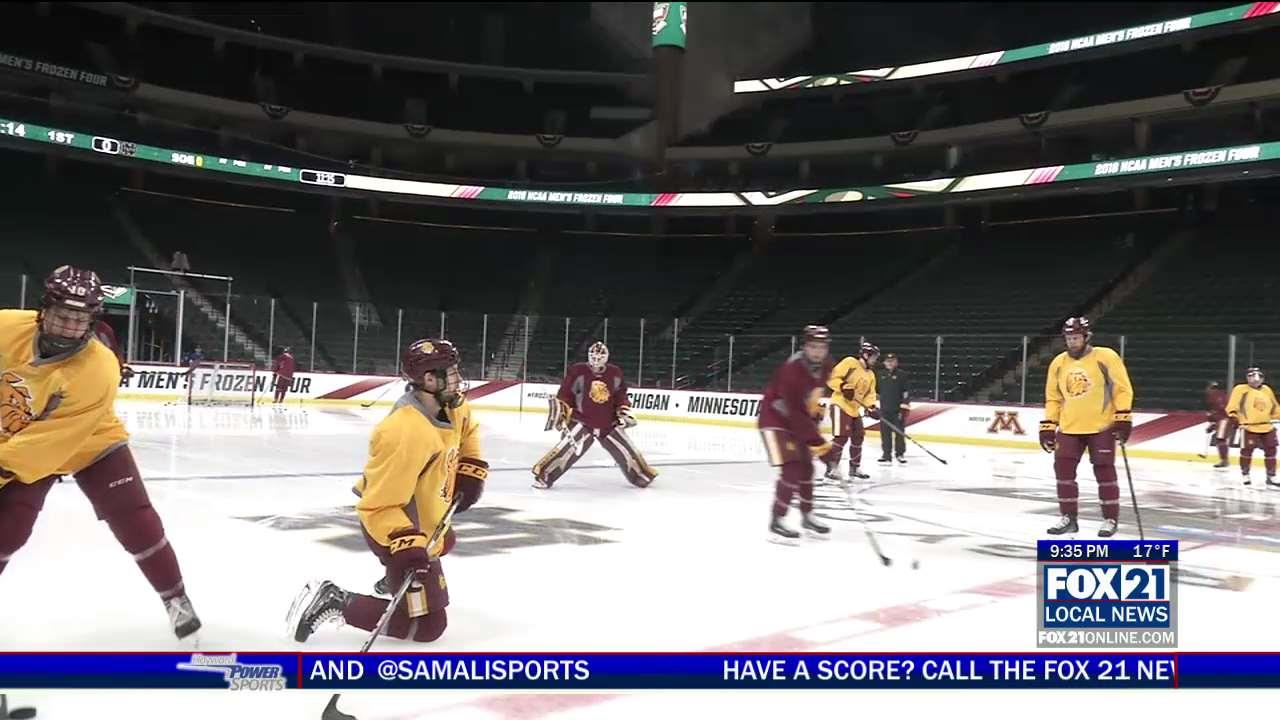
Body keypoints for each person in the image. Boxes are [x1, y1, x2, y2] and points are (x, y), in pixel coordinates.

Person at [0, 266, 200, 638]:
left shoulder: (99, 368)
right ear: (44, 310)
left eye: (79, 319)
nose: (68, 326)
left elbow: (51, 443)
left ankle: (175, 597)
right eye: (62, 315)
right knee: (8, 530)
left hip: (88, 439)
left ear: (92, 321)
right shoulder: (7, 327)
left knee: (135, 518)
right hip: (23, 434)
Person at [287, 338, 487, 643]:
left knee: (445, 540)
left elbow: (468, 430)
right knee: (429, 627)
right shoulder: (405, 431)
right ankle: (334, 599)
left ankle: (392, 579)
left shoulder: (452, 405)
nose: (459, 378)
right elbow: (377, 507)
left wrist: (469, 468)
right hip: (395, 530)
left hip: (427, 520)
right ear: (430, 380)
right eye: (452, 371)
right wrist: (406, 551)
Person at [1039, 317, 1134, 538]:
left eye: (1076, 337)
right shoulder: (1058, 363)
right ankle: (1069, 518)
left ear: (1086, 336)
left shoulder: (1106, 356)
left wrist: (1123, 417)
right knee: (1063, 471)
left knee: (1104, 471)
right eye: (1069, 338)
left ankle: (1110, 519)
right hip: (1070, 427)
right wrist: (1048, 425)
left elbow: (1122, 388)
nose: (1072, 342)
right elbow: (1053, 398)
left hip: (1101, 426)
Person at [532, 342, 657, 489]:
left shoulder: (614, 372)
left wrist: (623, 409)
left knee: (627, 451)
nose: (596, 360)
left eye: (600, 356)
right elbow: (565, 394)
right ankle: (544, 476)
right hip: (583, 422)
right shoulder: (578, 371)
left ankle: (640, 475)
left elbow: (620, 395)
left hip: (608, 422)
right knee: (566, 451)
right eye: (593, 356)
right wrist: (562, 411)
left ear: (606, 357)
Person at [759, 325, 834, 541]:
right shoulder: (792, 371)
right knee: (792, 467)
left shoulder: (827, 365)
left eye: (822, 347)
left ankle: (807, 515)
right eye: (813, 347)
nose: (818, 352)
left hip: (797, 421)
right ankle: (777, 520)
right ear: (805, 347)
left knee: (807, 468)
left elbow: (827, 385)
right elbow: (796, 414)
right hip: (774, 420)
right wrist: (822, 448)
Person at [821, 341, 880, 482]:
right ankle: (831, 468)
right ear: (865, 355)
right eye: (873, 357)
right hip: (840, 405)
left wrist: (871, 407)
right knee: (841, 437)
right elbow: (831, 377)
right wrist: (842, 387)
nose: (875, 360)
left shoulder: (871, 375)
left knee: (859, 435)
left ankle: (854, 468)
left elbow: (869, 395)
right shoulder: (850, 362)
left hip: (854, 409)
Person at [1224, 367, 1280, 487]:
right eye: (1251, 376)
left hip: (1267, 426)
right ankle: (1245, 474)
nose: (1255, 380)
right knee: (1247, 451)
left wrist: (1278, 415)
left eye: (1258, 377)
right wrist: (1234, 416)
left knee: (1271, 450)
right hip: (1249, 426)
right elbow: (1232, 405)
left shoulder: (1266, 390)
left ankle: (1271, 475)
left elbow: (1275, 407)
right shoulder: (1240, 389)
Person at [876, 352, 910, 464]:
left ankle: (900, 454)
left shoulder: (902, 375)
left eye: (892, 361)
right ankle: (886, 455)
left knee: (899, 433)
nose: (890, 363)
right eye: (887, 361)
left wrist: (904, 407)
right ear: (884, 363)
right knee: (885, 433)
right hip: (884, 409)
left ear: (896, 362)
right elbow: (876, 391)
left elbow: (906, 392)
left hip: (897, 410)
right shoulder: (880, 374)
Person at [1205, 380, 1230, 469]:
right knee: (1220, 439)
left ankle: (1224, 460)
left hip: (1223, 420)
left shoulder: (1213, 396)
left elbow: (1219, 411)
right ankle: (1224, 459)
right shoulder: (1222, 394)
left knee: (1220, 439)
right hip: (1223, 419)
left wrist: (1212, 421)